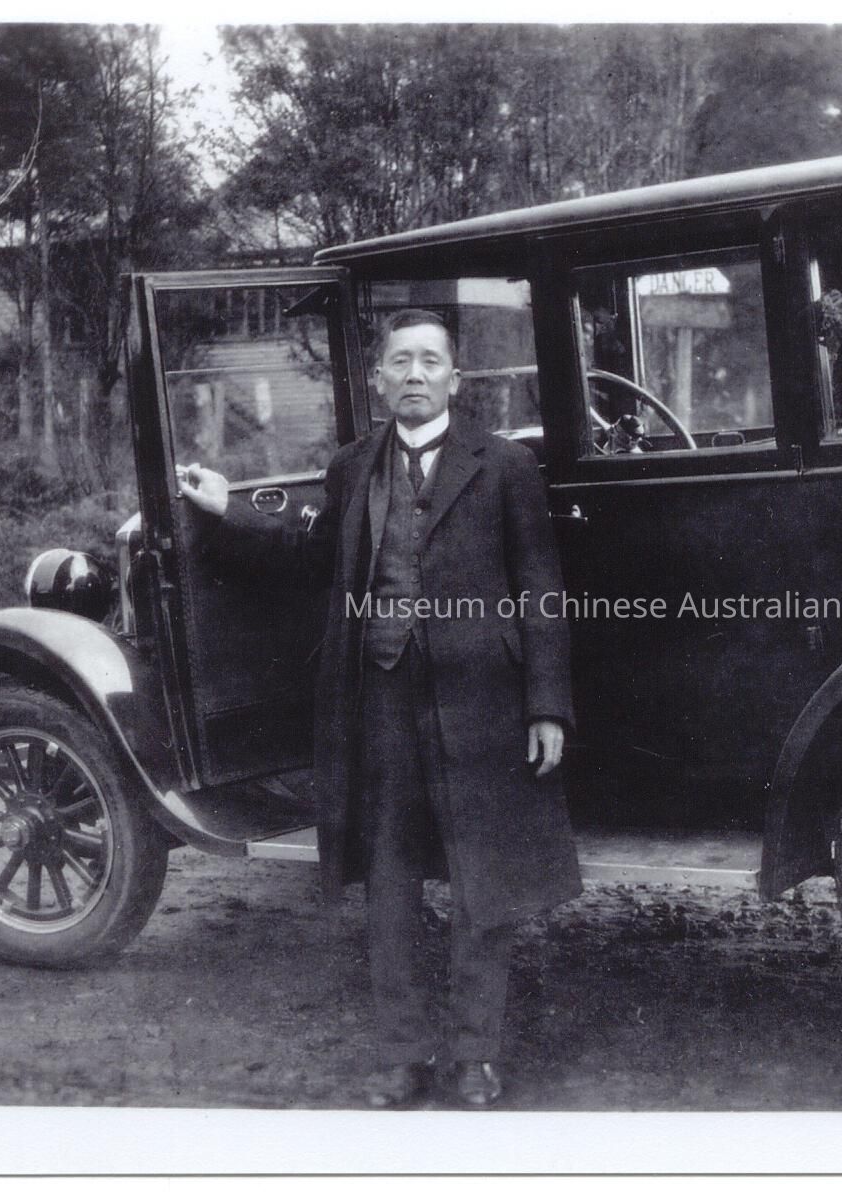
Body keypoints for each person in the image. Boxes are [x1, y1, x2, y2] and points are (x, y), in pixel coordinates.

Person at [177, 308, 580, 1109]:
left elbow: (541, 590)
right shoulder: (354, 467)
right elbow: (312, 559)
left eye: (431, 360)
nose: (415, 374)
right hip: (381, 699)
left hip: (482, 703)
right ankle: (401, 1055)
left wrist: (546, 707)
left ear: (456, 379)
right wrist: (227, 510)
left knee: (482, 878)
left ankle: (474, 1055)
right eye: (401, 361)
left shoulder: (505, 467)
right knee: (389, 879)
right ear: (379, 379)